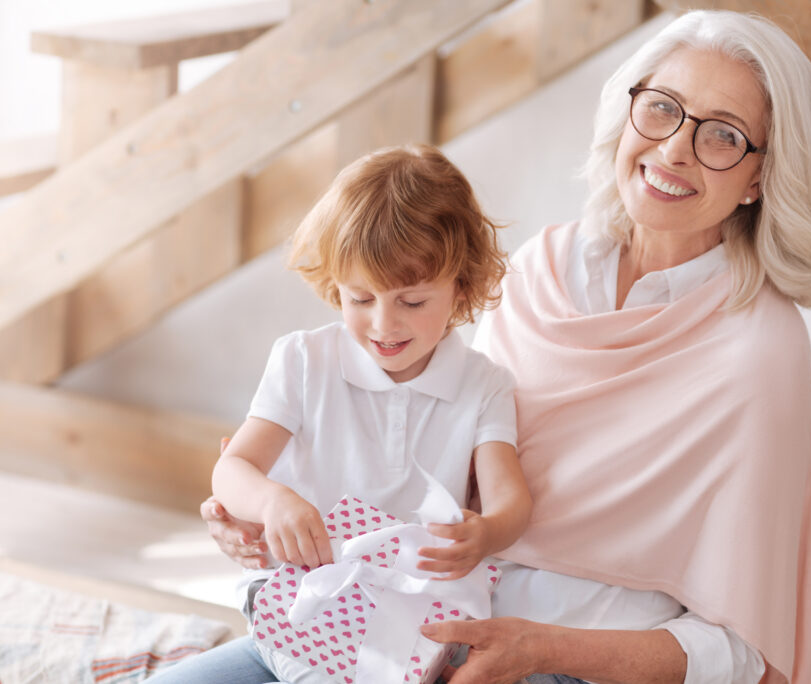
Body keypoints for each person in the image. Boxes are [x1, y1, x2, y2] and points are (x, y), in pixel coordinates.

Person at [204, 9, 811, 684]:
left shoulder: (760, 353)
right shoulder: (543, 267)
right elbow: (443, 470)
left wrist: (540, 650)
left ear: (759, 178)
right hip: (406, 621)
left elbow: (743, 651)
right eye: (662, 109)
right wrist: (251, 511)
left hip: (576, 665)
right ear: (628, 114)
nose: (676, 149)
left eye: (723, 135)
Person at [152, 144, 533, 684]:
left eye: (412, 302)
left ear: (461, 288)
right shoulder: (304, 359)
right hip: (291, 618)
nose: (384, 324)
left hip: (406, 636)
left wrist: (488, 532)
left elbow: (511, 499)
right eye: (360, 298)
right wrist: (272, 500)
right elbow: (231, 470)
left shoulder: (485, 384)